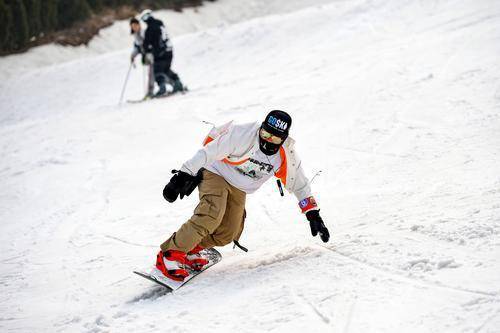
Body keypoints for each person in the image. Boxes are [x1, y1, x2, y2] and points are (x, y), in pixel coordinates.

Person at [156, 110, 330, 281]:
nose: (267, 140)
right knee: (212, 213)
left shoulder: (285, 156)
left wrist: (313, 213)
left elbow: (299, 184)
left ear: (283, 139)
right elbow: (207, 152)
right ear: (261, 128)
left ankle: (192, 248)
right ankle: (171, 254)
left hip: (239, 187)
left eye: (274, 138)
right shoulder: (243, 134)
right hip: (216, 171)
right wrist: (182, 176)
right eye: (265, 134)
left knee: (228, 233)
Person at [139, 9, 185, 97]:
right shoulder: (160, 24)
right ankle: (177, 83)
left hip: (160, 53)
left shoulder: (150, 28)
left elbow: (146, 43)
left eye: (144, 18)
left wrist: (145, 52)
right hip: (169, 50)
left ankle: (162, 88)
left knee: (158, 71)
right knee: (166, 69)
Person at [129, 17, 154, 98]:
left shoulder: (144, 33)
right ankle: (150, 92)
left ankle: (151, 92)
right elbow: (137, 47)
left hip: (152, 55)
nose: (134, 28)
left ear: (139, 25)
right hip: (147, 57)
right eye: (132, 26)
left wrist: (148, 53)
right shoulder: (136, 35)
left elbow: (149, 45)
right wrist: (133, 55)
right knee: (151, 74)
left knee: (154, 73)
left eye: (135, 25)